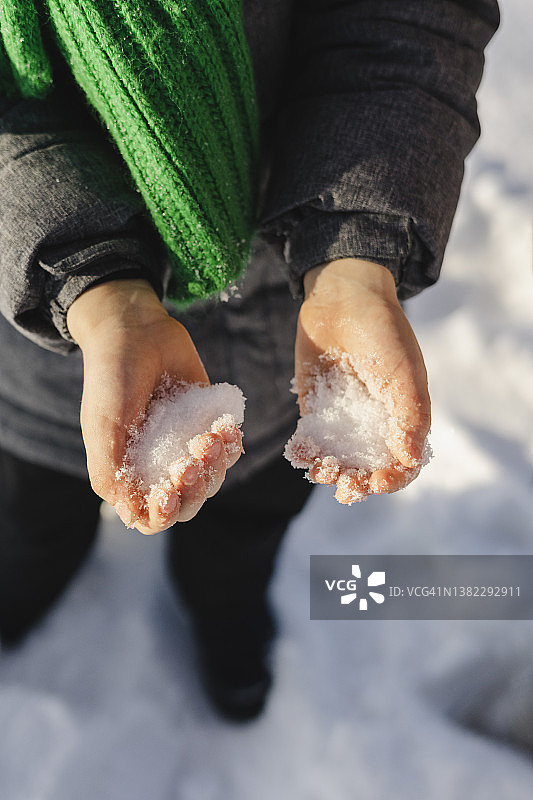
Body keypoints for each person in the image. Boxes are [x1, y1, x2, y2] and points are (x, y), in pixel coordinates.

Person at [0, 1, 499, 719]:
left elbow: (413, 22)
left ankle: (226, 604)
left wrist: (354, 256)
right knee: (32, 515)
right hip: (48, 349)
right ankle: (26, 578)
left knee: (249, 522)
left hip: (290, 321)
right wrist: (93, 288)